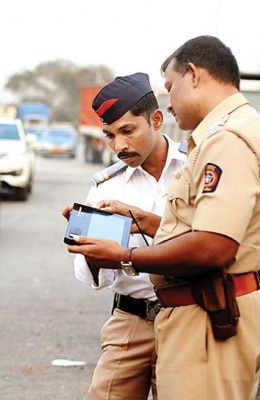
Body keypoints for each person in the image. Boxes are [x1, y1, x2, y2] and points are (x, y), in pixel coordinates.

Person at [66, 35, 260, 400]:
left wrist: (125, 255)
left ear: (194, 75)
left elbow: (214, 244)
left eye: (171, 88)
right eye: (109, 136)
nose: (170, 102)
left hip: (207, 311)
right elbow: (209, 226)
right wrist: (141, 222)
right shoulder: (240, 132)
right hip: (149, 315)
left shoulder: (226, 141)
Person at [62, 72, 185, 400]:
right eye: (110, 136)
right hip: (130, 321)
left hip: (187, 319)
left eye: (128, 131)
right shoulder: (107, 187)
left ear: (156, 119)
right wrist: (92, 253)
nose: (119, 146)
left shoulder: (194, 170)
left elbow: (211, 237)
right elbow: (93, 278)